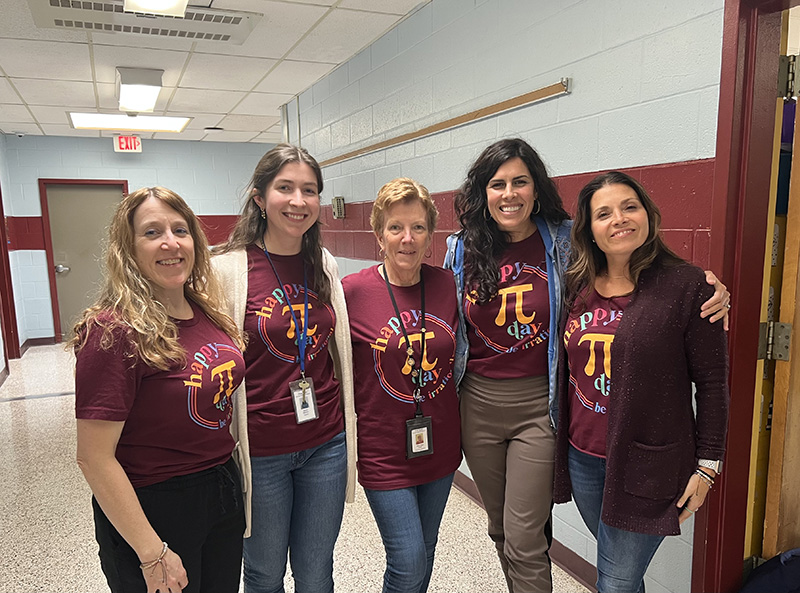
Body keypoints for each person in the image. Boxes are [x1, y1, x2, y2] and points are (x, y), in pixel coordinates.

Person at [443, 138, 730, 593]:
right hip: (478, 402)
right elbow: (443, 313)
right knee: (502, 530)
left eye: (521, 181)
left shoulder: (561, 240)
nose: (510, 193)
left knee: (527, 538)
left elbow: (636, 257)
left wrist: (708, 285)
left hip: (543, 404)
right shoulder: (461, 248)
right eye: (497, 184)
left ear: (537, 189)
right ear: (483, 193)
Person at [553, 171, 729, 593]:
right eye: (604, 213)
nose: (619, 219)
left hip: (645, 463)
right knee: (623, 576)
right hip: (583, 457)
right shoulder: (576, 286)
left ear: (648, 215)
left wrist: (708, 466)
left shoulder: (688, 287)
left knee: (614, 581)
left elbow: (712, 383)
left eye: (630, 207)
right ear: (589, 229)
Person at [74, 186, 246, 593]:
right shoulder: (113, 331)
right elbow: (94, 459)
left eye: (180, 230)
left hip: (220, 488)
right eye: (152, 232)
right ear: (127, 249)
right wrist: (152, 551)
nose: (170, 242)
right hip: (153, 505)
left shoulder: (206, 311)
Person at [211, 144, 356, 593]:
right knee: (264, 574)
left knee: (316, 572)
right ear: (259, 198)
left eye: (309, 190)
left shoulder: (323, 265)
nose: (298, 201)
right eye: (285, 188)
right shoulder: (226, 271)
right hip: (262, 450)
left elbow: (336, 349)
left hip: (326, 442)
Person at [342, 178, 462, 593]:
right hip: (383, 452)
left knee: (425, 552)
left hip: (441, 446)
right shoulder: (353, 292)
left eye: (418, 228)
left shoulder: (448, 285)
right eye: (395, 228)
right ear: (379, 236)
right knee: (408, 561)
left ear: (431, 235)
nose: (407, 239)